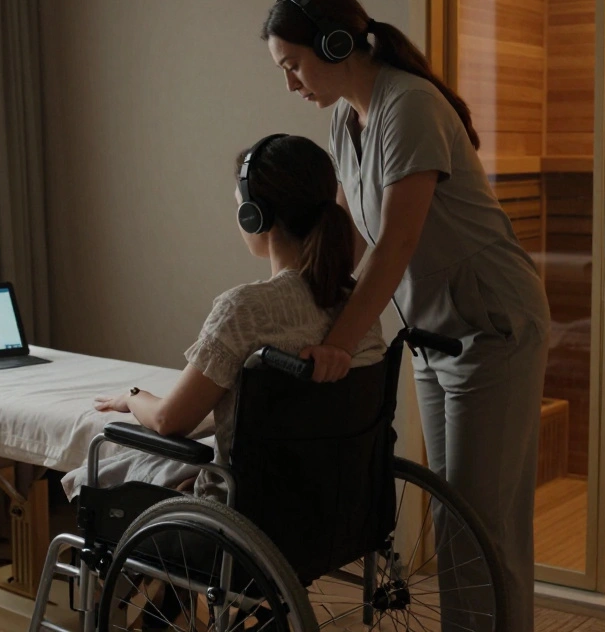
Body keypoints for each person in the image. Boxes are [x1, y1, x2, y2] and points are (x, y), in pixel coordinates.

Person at [262, 0, 552, 632]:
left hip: (492, 327)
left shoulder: (409, 106)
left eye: (293, 66)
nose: (291, 85)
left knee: (485, 524)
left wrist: (339, 342)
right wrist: (295, 311)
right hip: (433, 334)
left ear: (336, 45)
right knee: (455, 520)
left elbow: (396, 241)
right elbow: (349, 239)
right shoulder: (346, 118)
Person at [92, 133, 386, 499]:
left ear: (253, 216)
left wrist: (133, 396)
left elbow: (170, 420)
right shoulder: (357, 310)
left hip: (251, 510)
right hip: (339, 503)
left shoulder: (245, 309)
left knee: (100, 472)